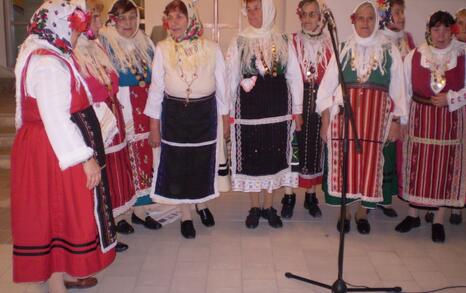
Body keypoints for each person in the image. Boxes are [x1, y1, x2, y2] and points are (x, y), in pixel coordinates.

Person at [11, 1, 116, 291]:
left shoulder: (41, 50)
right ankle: (56, 284)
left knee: (51, 214)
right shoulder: (48, 63)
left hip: (45, 145)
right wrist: (86, 158)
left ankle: (60, 276)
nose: (77, 36)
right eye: (74, 30)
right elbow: (56, 118)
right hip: (52, 149)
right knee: (57, 212)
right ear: (56, 26)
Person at [317, 0, 407, 235]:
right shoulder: (344, 48)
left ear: (376, 20)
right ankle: (344, 212)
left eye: (369, 18)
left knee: (368, 166)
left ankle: (362, 213)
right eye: (361, 18)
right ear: (354, 20)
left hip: (375, 122)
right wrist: (326, 120)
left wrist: (396, 122)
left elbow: (398, 90)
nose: (365, 23)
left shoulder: (389, 50)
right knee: (345, 165)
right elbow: (326, 88)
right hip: (345, 119)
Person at [145, 0, 229, 239]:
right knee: (179, 163)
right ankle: (185, 214)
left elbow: (222, 86)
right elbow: (156, 88)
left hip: (205, 114)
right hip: (174, 114)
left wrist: (225, 118)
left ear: (190, 19)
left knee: (202, 162)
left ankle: (201, 205)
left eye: (179, 17)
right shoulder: (162, 48)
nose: (173, 23)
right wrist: (154, 126)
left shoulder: (211, 48)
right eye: (170, 18)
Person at [227, 0, 303, 229]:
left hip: (278, 108)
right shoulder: (239, 41)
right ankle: (254, 207)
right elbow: (230, 77)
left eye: (257, 8)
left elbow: (294, 76)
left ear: (268, 9)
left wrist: (297, 110)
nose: (252, 14)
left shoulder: (282, 40)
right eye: (248, 9)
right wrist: (228, 111)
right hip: (249, 108)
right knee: (252, 155)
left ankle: (269, 207)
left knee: (273, 154)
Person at [395, 11, 466, 243]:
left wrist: (451, 98)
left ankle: (438, 220)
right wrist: (403, 120)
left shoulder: (462, 55)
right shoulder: (415, 55)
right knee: (419, 166)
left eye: (446, 29)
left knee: (444, 169)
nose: (442, 35)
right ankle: (413, 215)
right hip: (419, 117)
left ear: (452, 31)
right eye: (437, 29)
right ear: (429, 30)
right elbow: (403, 91)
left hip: (450, 120)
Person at [74, 0, 134, 252]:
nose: (101, 25)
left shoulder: (96, 46)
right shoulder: (74, 52)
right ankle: (95, 235)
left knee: (109, 175)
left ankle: (108, 230)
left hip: (110, 116)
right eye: (96, 20)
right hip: (92, 120)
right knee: (97, 178)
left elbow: (112, 80)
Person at [100, 0, 162, 234]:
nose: (128, 23)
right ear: (113, 19)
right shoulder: (104, 43)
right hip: (121, 108)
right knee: (122, 162)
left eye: (132, 17)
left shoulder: (145, 42)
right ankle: (121, 215)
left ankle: (140, 212)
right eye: (122, 18)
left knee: (146, 158)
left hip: (144, 108)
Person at [280, 0, 331, 219]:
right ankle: (289, 196)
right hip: (296, 103)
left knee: (314, 150)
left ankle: (311, 196)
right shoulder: (291, 42)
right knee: (293, 149)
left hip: (319, 103)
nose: (309, 19)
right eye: (305, 15)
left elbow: (331, 80)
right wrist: (295, 111)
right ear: (299, 16)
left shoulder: (330, 44)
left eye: (313, 14)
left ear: (321, 16)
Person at [375, 0, 416, 218]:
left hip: (403, 102)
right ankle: (376, 195)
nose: (401, 17)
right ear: (386, 14)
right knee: (383, 150)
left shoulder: (407, 39)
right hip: (383, 104)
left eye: (402, 12)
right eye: (397, 12)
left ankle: (387, 196)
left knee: (396, 151)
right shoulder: (379, 40)